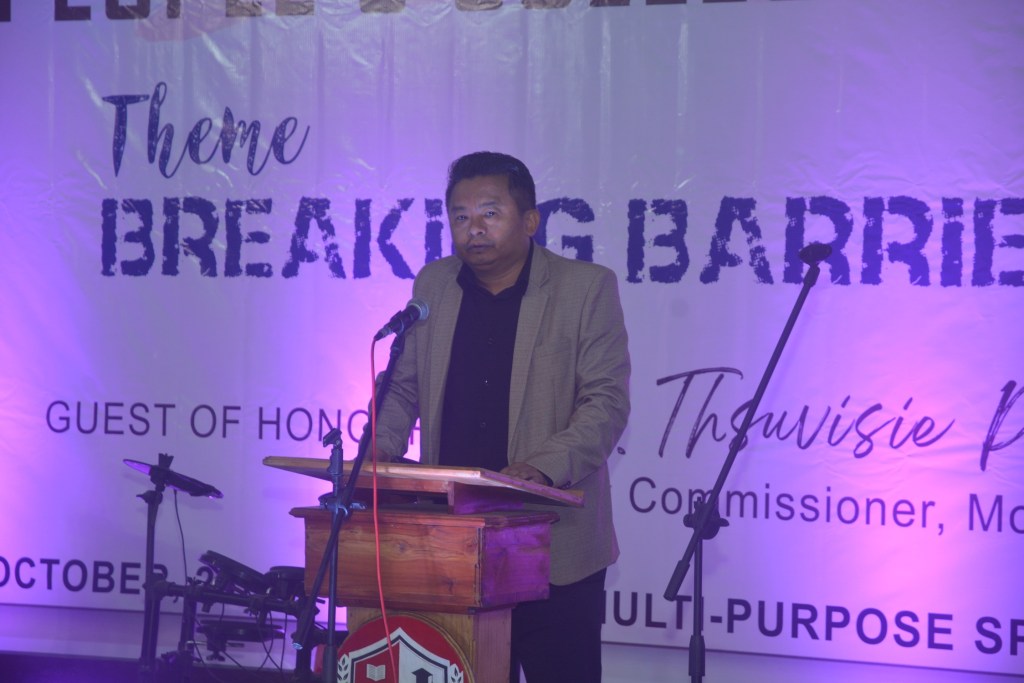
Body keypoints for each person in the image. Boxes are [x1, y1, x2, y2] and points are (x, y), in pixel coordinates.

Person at [368, 151, 631, 683]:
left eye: (490, 213)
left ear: (530, 220)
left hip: (552, 544)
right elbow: (403, 387)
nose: (474, 229)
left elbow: (606, 402)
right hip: (453, 540)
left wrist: (541, 468)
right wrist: (378, 450)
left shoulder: (585, 288)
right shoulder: (434, 285)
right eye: (460, 216)